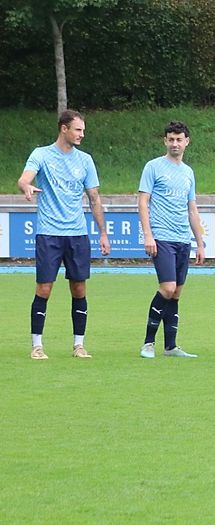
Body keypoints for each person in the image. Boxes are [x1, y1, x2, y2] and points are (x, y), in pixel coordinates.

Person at [17, 109, 110, 360]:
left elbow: (94, 198)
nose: (82, 134)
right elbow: (24, 179)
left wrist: (103, 233)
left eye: (83, 130)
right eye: (78, 129)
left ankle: (79, 345)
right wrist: (26, 186)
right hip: (49, 233)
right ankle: (37, 345)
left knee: (79, 289)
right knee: (44, 288)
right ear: (64, 128)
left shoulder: (86, 160)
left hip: (77, 234)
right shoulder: (41, 155)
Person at [137, 121, 206, 359]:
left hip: (182, 239)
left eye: (179, 139)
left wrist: (200, 243)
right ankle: (148, 343)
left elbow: (192, 209)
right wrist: (148, 235)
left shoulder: (188, 172)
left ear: (187, 142)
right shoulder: (153, 167)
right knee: (167, 288)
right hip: (162, 237)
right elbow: (143, 202)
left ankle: (171, 347)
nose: (175, 143)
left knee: (176, 293)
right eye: (171, 139)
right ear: (165, 141)